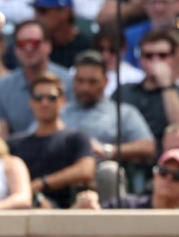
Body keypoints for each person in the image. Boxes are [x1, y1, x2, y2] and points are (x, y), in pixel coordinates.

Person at [61, 50, 156, 200]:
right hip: (65, 173)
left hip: (103, 172)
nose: (85, 88)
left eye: (92, 82)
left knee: (109, 171)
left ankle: (112, 221)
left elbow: (148, 146)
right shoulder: (60, 113)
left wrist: (108, 150)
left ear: (105, 81)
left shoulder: (122, 112)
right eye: (80, 81)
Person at [7, 72, 95, 209]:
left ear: (62, 101)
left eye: (51, 98)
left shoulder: (76, 138)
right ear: (30, 102)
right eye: (38, 97)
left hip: (68, 211)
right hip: (23, 210)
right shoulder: (14, 144)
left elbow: (86, 170)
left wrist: (42, 183)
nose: (44, 103)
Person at [0, 20, 72, 136]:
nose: (28, 48)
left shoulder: (68, 82)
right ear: (15, 50)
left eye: (34, 43)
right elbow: (1, 137)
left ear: (48, 46)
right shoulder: (2, 88)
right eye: (22, 44)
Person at [72, 148, 179, 209]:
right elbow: (96, 219)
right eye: (163, 172)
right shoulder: (126, 206)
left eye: (177, 176)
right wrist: (83, 206)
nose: (168, 178)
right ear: (155, 175)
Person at [32, 0, 93, 68]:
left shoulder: (85, 47)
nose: (37, 16)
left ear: (64, 12)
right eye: (36, 11)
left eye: (43, 10)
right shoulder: (40, 45)